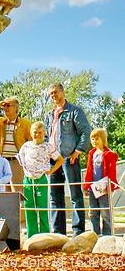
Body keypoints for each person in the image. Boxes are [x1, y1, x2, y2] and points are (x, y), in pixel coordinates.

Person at [45, 83, 91, 236]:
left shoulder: (74, 111)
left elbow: (86, 131)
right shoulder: (49, 115)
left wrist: (77, 151)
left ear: (63, 93)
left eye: (56, 92)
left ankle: (78, 231)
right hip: (52, 160)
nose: (53, 95)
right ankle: (58, 232)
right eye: (51, 93)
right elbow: (46, 136)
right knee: (54, 196)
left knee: (75, 195)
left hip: (68, 158)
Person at [17, 122, 64, 238]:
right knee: (29, 207)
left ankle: (45, 233)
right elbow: (20, 157)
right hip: (28, 179)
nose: (37, 135)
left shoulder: (47, 147)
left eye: (39, 133)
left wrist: (51, 171)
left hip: (41, 178)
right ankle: (31, 234)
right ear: (31, 133)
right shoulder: (26, 146)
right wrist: (25, 168)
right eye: (35, 132)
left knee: (43, 207)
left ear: (44, 134)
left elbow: (60, 159)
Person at [0, 98, 32, 199]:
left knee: (17, 193)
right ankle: (5, 215)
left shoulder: (25, 124)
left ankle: (20, 215)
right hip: (1, 160)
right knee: (2, 193)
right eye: (4, 106)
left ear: (16, 108)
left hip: (16, 162)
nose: (5, 108)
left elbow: (31, 143)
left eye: (8, 105)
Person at [83, 128, 119, 236]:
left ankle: (108, 234)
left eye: (97, 139)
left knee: (105, 211)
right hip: (93, 187)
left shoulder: (108, 154)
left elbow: (111, 172)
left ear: (103, 139)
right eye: (92, 139)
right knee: (93, 211)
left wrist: (109, 187)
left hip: (103, 186)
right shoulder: (91, 153)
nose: (94, 141)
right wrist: (86, 186)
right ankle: (95, 234)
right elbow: (89, 170)